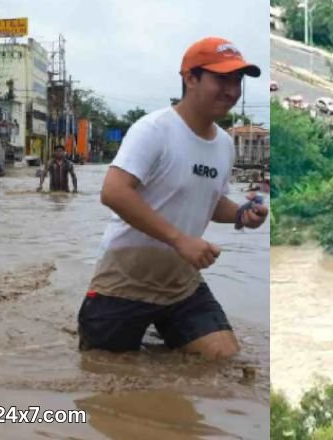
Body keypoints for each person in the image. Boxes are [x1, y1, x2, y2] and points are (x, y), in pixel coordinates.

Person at [77, 37, 268, 359]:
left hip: (182, 285)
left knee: (224, 360)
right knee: (107, 376)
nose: (232, 91)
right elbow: (113, 191)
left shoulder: (224, 144)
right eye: (222, 79)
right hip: (124, 282)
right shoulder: (153, 129)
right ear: (190, 78)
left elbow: (212, 200)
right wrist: (180, 239)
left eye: (238, 81)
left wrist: (240, 214)